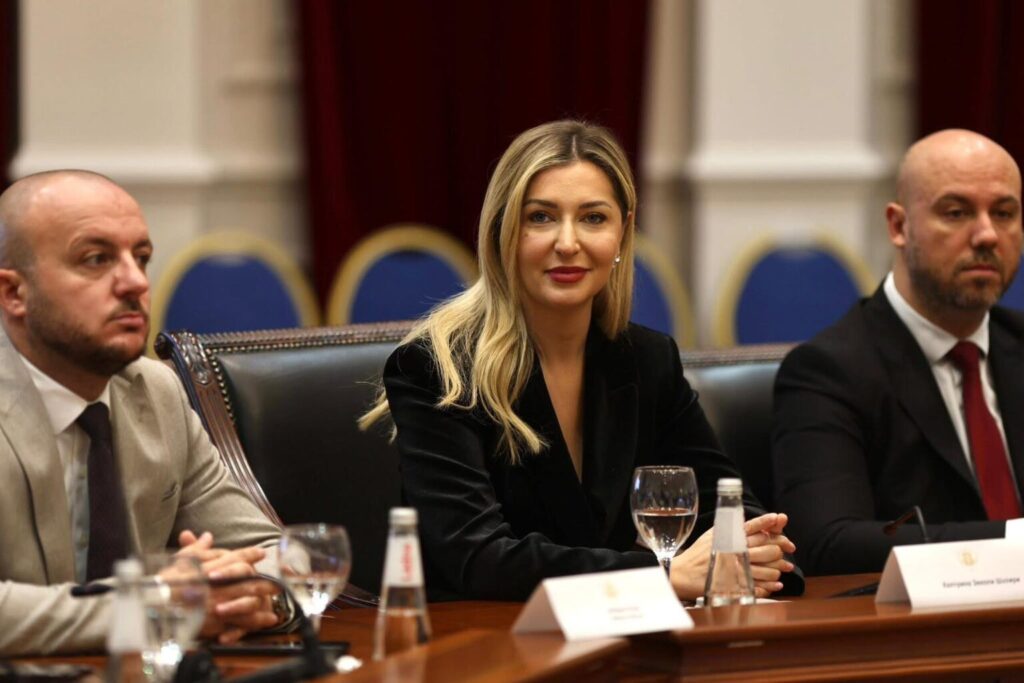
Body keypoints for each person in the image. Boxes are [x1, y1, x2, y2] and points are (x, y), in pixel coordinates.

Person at [361, 120, 800, 601]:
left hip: (618, 635)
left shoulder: (647, 359)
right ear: (503, 230)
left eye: (593, 218)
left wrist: (751, 550)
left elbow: (732, 509)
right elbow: (481, 559)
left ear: (623, 232)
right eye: (540, 217)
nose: (568, 243)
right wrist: (661, 576)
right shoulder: (437, 370)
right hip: (486, 637)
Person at [0, 170, 286, 655]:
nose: (134, 281)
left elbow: (271, 556)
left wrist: (247, 595)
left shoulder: (156, 391)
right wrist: (153, 606)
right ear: (14, 294)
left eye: (142, 257)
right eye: (96, 259)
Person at [773, 129, 1024, 575]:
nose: (987, 234)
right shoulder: (828, 371)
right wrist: (1012, 542)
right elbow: (827, 542)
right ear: (898, 226)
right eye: (956, 212)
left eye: (1004, 213)